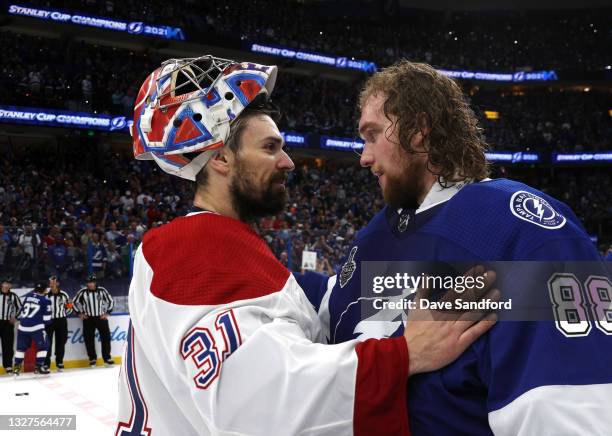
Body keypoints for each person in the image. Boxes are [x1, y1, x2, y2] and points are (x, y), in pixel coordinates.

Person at [115, 55, 497, 436]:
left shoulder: (214, 246)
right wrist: (406, 354)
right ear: (220, 158)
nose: (287, 162)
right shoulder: (196, 245)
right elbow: (262, 410)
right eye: (269, 147)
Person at [297, 60, 612, 435]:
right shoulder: (376, 235)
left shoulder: (517, 227)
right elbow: (328, 317)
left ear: (418, 131)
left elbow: (569, 407)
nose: (364, 157)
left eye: (372, 134)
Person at [73, 274, 114, 367]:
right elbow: (73, 302)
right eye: (89, 282)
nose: (90, 284)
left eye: (92, 282)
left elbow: (111, 301)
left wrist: (107, 313)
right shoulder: (82, 292)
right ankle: (92, 359)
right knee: (89, 339)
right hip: (88, 318)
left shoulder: (102, 290)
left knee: (106, 338)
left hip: (100, 317)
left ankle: (107, 358)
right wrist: (79, 313)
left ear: (95, 282)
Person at [13, 282, 51, 375]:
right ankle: (39, 366)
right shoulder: (46, 300)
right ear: (45, 290)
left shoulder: (28, 296)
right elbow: (47, 319)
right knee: (44, 346)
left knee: (20, 349)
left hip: (22, 327)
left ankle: (16, 368)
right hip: (36, 327)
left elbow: (22, 311)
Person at [44, 275, 72, 371]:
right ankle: (46, 364)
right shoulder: (45, 295)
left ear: (58, 283)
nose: (51, 284)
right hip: (49, 321)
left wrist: (63, 314)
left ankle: (59, 362)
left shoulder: (64, 295)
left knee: (61, 341)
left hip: (61, 321)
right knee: (48, 342)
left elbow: (69, 307)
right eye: (50, 282)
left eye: (54, 282)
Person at [0, 277, 22, 374]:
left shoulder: (13, 296)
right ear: (2, 284)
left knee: (8, 346)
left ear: (10, 286)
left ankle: (8, 366)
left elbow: (20, 308)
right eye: (5, 283)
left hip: (7, 324)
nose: (7, 285)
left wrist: (15, 317)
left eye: (9, 284)